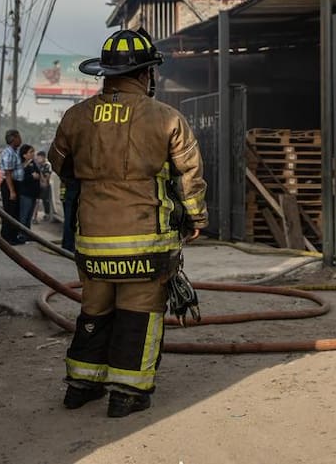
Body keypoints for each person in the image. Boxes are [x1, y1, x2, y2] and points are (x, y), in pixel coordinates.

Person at [49, 28, 206, 418]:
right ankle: (127, 394)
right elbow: (189, 177)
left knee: (94, 311)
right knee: (139, 314)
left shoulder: (75, 116)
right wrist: (196, 217)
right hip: (145, 242)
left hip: (93, 244)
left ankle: (81, 386)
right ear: (144, 73)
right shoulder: (167, 118)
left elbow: (60, 165)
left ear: (106, 73)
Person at [0, 128, 24, 245]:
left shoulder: (15, 152)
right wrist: (12, 191)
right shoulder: (8, 153)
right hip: (10, 184)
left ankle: (13, 235)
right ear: (13, 139)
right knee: (10, 212)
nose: (20, 140)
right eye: (19, 137)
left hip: (16, 184)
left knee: (15, 212)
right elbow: (8, 173)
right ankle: (7, 237)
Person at [17, 143, 41, 236]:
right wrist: (31, 176)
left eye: (33, 152)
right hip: (25, 194)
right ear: (24, 155)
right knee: (24, 216)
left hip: (33, 194)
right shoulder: (21, 165)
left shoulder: (33, 163)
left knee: (29, 216)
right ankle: (21, 235)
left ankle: (27, 235)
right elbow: (21, 178)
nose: (33, 154)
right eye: (30, 152)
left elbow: (38, 174)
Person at [35, 151, 57, 222]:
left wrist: (41, 175)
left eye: (39, 158)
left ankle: (47, 214)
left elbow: (47, 177)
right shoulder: (40, 165)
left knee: (46, 200)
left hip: (45, 185)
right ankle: (39, 215)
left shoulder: (47, 165)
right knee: (40, 201)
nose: (38, 159)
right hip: (40, 185)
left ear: (43, 157)